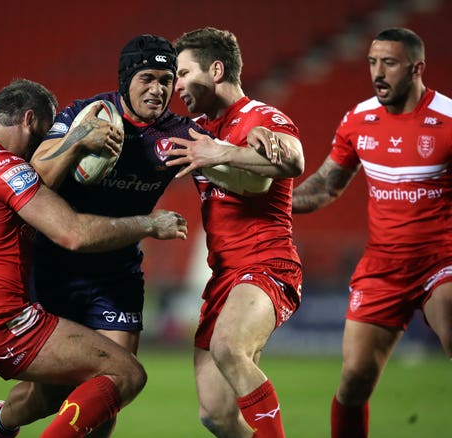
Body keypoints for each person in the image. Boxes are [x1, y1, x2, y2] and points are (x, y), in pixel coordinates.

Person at [0, 78, 188, 438]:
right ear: (28, 121)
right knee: (126, 373)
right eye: (44, 133)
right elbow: (73, 233)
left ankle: (0, 426)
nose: (43, 145)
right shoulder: (6, 168)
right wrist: (149, 224)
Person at [0, 35, 206, 438]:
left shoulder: (179, 133)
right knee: (52, 396)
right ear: (126, 78)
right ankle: (1, 422)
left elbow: (221, 157)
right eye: (148, 78)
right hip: (56, 270)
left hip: (118, 273)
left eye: (167, 80)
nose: (158, 89)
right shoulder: (85, 114)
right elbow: (34, 180)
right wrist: (77, 142)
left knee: (109, 389)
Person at [291, 27, 452, 438]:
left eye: (390, 63)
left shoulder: (448, 120)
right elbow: (327, 185)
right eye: (372, 62)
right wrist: (271, 204)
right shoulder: (358, 119)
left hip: (442, 261)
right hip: (382, 268)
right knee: (354, 380)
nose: (378, 73)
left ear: (417, 68)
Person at [164, 27, 305, 437]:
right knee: (216, 414)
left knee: (229, 347)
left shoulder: (261, 118)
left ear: (217, 70)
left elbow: (288, 162)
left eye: (185, 73)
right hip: (223, 275)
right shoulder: (196, 130)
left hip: (266, 262)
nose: (178, 86)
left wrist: (220, 153)